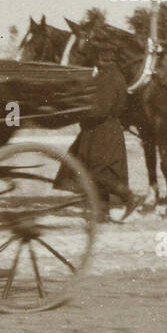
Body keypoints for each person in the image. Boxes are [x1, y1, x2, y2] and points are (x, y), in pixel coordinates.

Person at [56, 55, 142, 220]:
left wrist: (80, 112)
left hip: (102, 131)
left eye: (98, 58)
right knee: (101, 171)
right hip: (105, 130)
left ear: (103, 59)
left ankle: (128, 197)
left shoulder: (107, 78)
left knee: (95, 171)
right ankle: (102, 212)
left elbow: (101, 109)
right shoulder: (115, 75)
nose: (96, 62)